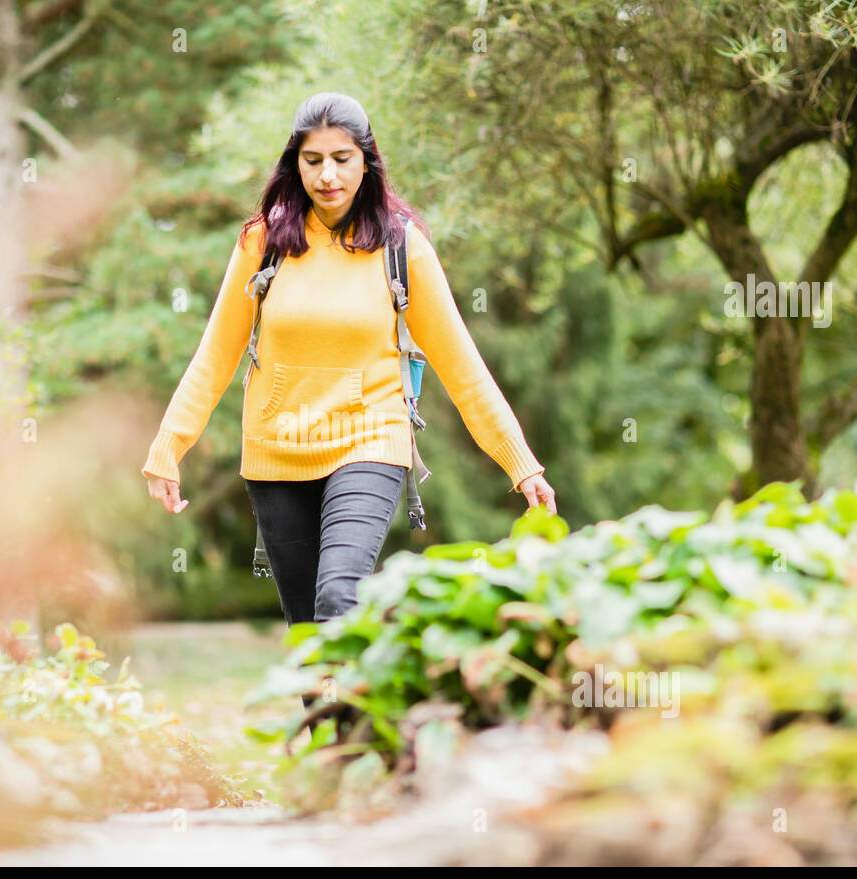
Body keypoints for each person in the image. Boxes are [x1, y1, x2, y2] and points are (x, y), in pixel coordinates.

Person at [143, 91, 555, 630]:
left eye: (342, 159)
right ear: (295, 164)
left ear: (367, 161)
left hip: (369, 440)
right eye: (312, 161)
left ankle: (348, 710)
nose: (327, 176)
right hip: (277, 447)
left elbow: (463, 367)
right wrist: (169, 445)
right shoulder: (263, 243)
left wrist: (520, 463)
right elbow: (215, 355)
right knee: (308, 630)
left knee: (340, 596)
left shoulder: (400, 247)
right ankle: (329, 717)